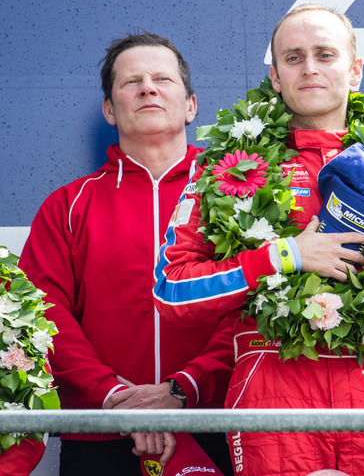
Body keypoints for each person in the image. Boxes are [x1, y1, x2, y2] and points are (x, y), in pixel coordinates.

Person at [153, 5, 364, 476]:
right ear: (275, 77)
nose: (310, 68)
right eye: (294, 58)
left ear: (355, 70)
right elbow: (171, 292)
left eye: (325, 54)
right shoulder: (227, 166)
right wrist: (284, 256)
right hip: (272, 388)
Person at [19, 33, 234, 475]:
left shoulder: (236, 196)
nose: (148, 88)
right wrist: (114, 396)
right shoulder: (68, 204)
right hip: (100, 430)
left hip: (216, 422)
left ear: (191, 105)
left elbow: (252, 308)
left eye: (162, 79)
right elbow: (42, 313)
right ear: (109, 110)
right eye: (131, 81)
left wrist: (182, 389)